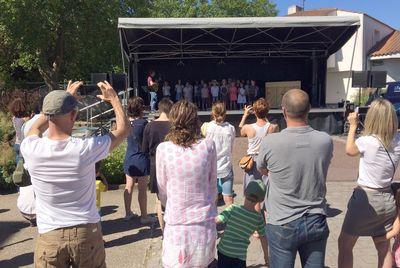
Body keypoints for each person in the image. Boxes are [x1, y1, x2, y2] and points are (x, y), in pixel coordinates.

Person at [20, 80, 129, 267]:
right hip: (86, 232)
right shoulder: (84, 149)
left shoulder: (31, 148)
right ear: (73, 114)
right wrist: (115, 101)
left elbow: (34, 129)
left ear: (47, 115)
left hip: (49, 234)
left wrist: (59, 102)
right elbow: (123, 130)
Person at [256, 89, 333, 268]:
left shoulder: (270, 142)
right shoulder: (325, 140)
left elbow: (262, 169)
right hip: (316, 218)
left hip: (282, 222)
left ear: (283, 111)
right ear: (309, 109)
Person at [338, 99, 400, 268]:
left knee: (345, 244)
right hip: (387, 197)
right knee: (383, 247)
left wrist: (352, 126)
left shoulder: (368, 140)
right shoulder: (398, 140)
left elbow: (349, 150)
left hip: (365, 200)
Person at [156, 100, 217, 268]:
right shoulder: (208, 145)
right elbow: (213, 186)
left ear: (172, 120)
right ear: (195, 119)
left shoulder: (163, 149)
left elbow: (162, 190)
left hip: (176, 222)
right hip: (202, 223)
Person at [216, 180, 269, 268]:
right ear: (261, 199)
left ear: (244, 193)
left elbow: (217, 220)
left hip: (224, 251)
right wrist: (266, 257)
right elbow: (263, 238)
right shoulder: (258, 218)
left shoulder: (233, 209)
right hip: (240, 256)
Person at [142, 97, 173, 233]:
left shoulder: (150, 126)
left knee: (159, 200)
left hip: (156, 165)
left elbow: (144, 149)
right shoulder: (174, 126)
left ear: (159, 109)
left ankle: (163, 232)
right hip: (173, 165)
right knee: (172, 197)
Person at [123, 96, 155, 224]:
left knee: (128, 186)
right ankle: (144, 216)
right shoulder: (144, 124)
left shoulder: (125, 123)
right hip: (141, 158)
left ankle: (128, 213)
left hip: (129, 157)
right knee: (142, 189)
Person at [239, 98, 278, 197]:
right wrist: (265, 117)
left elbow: (241, 129)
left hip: (252, 161)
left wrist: (245, 115)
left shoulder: (248, 127)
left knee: (252, 192)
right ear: (267, 111)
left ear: (255, 112)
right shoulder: (273, 127)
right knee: (266, 189)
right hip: (266, 158)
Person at [201, 101, 235, 206]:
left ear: (212, 113)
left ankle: (213, 220)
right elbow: (232, 147)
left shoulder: (207, 127)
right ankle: (231, 221)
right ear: (225, 113)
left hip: (211, 166)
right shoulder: (231, 128)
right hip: (226, 165)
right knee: (228, 197)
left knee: (212, 197)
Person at [9, 98, 29, 162]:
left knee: (19, 167)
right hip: (23, 145)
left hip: (17, 144)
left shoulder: (14, 118)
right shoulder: (25, 120)